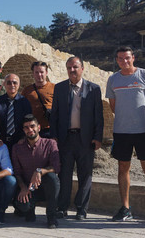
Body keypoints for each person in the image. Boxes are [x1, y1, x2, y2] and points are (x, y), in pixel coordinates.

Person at [105, 46, 145, 225]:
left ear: (133, 58)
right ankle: (125, 208)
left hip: (143, 131)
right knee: (123, 168)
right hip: (122, 131)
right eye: (121, 58)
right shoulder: (113, 79)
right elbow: (113, 106)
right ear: (117, 60)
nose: (124, 61)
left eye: (127, 58)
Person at [50, 57, 103, 220]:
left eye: (75, 67)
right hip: (66, 138)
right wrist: (54, 137)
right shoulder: (59, 88)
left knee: (85, 175)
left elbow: (98, 116)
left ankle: (81, 208)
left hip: (85, 139)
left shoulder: (93, 89)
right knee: (64, 174)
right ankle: (62, 207)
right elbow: (55, 115)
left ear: (82, 68)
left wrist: (97, 137)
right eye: (69, 68)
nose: (72, 70)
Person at [12, 114, 60, 229]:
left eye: (32, 126)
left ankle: (52, 217)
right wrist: (23, 187)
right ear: (23, 130)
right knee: (23, 207)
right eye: (26, 127)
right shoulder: (17, 148)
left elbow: (56, 167)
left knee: (52, 178)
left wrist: (39, 171)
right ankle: (29, 210)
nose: (30, 130)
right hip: (29, 188)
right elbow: (17, 172)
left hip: (46, 187)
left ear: (39, 127)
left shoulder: (50, 144)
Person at [0, 73, 32, 152]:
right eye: (8, 83)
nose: (12, 85)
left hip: (20, 141)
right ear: (4, 85)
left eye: (14, 82)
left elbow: (28, 121)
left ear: (19, 84)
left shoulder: (24, 102)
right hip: (1, 141)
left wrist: (24, 137)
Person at [22, 61, 55, 138]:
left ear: (46, 72)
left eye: (41, 72)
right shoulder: (27, 90)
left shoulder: (55, 88)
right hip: (33, 131)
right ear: (33, 73)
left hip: (50, 129)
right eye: (36, 72)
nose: (39, 75)